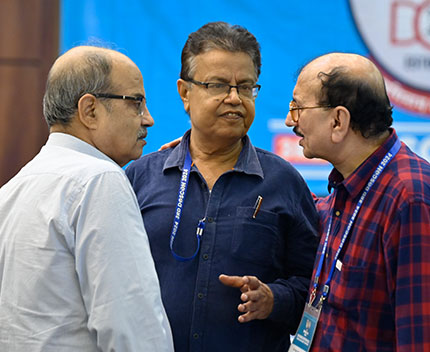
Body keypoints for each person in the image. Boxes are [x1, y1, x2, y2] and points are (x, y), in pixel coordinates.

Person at [125, 22, 320, 352]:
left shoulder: (284, 182)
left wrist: (274, 299)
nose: (234, 98)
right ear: (185, 93)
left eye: (245, 87)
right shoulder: (142, 178)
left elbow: (316, 291)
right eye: (218, 85)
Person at [0, 46, 174, 352]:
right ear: (90, 110)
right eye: (136, 103)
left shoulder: (11, 190)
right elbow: (131, 328)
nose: (148, 119)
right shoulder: (100, 180)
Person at [284, 53, 430, 351]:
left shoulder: (412, 199)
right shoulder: (346, 191)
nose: (290, 120)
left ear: (338, 121)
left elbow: (426, 342)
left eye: (298, 107)